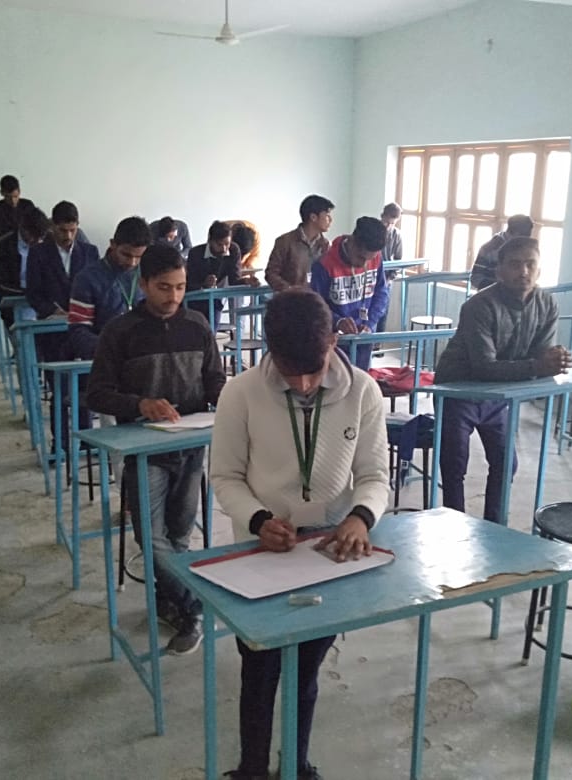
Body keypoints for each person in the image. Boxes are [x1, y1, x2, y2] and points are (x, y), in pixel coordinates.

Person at [210, 288, 390, 780]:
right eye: (292, 373)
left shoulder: (363, 391)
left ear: (334, 341)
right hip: (259, 550)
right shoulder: (240, 393)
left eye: (314, 369)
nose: (306, 384)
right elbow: (225, 475)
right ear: (270, 351)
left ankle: (297, 764)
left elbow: (375, 475)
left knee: (307, 667)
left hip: (329, 551)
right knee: (259, 666)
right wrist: (257, 520)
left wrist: (361, 517)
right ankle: (252, 768)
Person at [85, 244, 225, 655]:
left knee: (179, 535)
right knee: (151, 537)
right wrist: (140, 404)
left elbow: (214, 380)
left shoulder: (197, 325)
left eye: (180, 287)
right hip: (144, 450)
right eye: (164, 287)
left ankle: (171, 604)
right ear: (143, 283)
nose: (173, 296)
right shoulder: (120, 332)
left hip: (191, 445)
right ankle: (195, 604)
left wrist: (227, 400)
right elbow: (97, 394)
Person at [434, 237, 572, 522]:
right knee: (454, 465)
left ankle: (494, 526)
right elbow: (485, 367)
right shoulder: (479, 306)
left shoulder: (547, 304)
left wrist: (556, 360)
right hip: (458, 391)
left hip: (499, 395)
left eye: (530, 264)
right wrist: (539, 365)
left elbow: (541, 357)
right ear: (499, 271)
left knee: (506, 463)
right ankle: (451, 526)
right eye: (515, 264)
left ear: (539, 270)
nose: (523, 271)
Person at [26, 201, 99, 448]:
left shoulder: (89, 252)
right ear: (52, 227)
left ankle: (88, 440)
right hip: (53, 332)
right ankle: (62, 444)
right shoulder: (38, 253)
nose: (68, 236)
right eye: (62, 230)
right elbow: (33, 294)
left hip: (84, 330)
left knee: (87, 387)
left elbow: (96, 288)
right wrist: (52, 310)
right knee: (59, 388)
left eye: (72, 230)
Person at [309, 216, 389, 370]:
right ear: (352, 241)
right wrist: (338, 321)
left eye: (369, 259)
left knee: (361, 380)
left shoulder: (376, 258)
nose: (364, 264)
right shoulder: (324, 264)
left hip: (364, 338)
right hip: (335, 341)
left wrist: (370, 323)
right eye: (361, 257)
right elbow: (315, 305)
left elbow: (381, 292)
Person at [66, 216, 149, 360]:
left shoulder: (148, 274)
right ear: (112, 244)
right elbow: (78, 330)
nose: (132, 262)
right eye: (126, 255)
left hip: (144, 357)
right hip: (104, 359)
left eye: (139, 256)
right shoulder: (87, 279)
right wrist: (111, 348)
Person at [185, 221, 259, 325]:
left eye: (227, 244)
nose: (224, 248)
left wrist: (247, 281)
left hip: (215, 300)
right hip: (194, 301)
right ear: (210, 241)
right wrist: (204, 285)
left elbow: (234, 280)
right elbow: (189, 283)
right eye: (219, 244)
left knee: (212, 326)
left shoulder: (234, 250)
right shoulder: (195, 253)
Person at [0, 206, 50, 330]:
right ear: (22, 227)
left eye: (40, 238)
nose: (37, 241)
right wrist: (29, 293)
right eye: (33, 236)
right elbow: (0, 282)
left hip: (44, 302)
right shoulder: (4, 245)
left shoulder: (49, 240)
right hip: (15, 301)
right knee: (23, 336)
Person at [265, 195, 334, 291]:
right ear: (313, 217)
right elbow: (271, 274)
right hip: (290, 298)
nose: (331, 220)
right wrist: (289, 290)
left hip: (316, 298)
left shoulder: (326, 245)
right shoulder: (285, 242)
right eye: (327, 215)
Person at [470, 214, 535, 290]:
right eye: (522, 238)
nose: (523, 242)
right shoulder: (489, 249)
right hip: (491, 295)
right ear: (515, 233)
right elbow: (475, 278)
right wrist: (500, 287)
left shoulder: (524, 249)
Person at [375, 202, 405, 340]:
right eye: (387, 222)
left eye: (392, 223)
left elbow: (398, 259)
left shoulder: (396, 235)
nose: (388, 226)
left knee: (383, 309)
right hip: (370, 275)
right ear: (383, 216)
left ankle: (378, 343)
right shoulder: (373, 230)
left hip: (386, 276)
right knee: (368, 310)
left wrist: (390, 277)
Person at [0, 174, 38, 242]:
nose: (13, 201)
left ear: (19, 191)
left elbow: (36, 227)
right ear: (1, 193)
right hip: (5, 245)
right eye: (8, 197)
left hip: (28, 244)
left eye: (15, 196)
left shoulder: (27, 205)